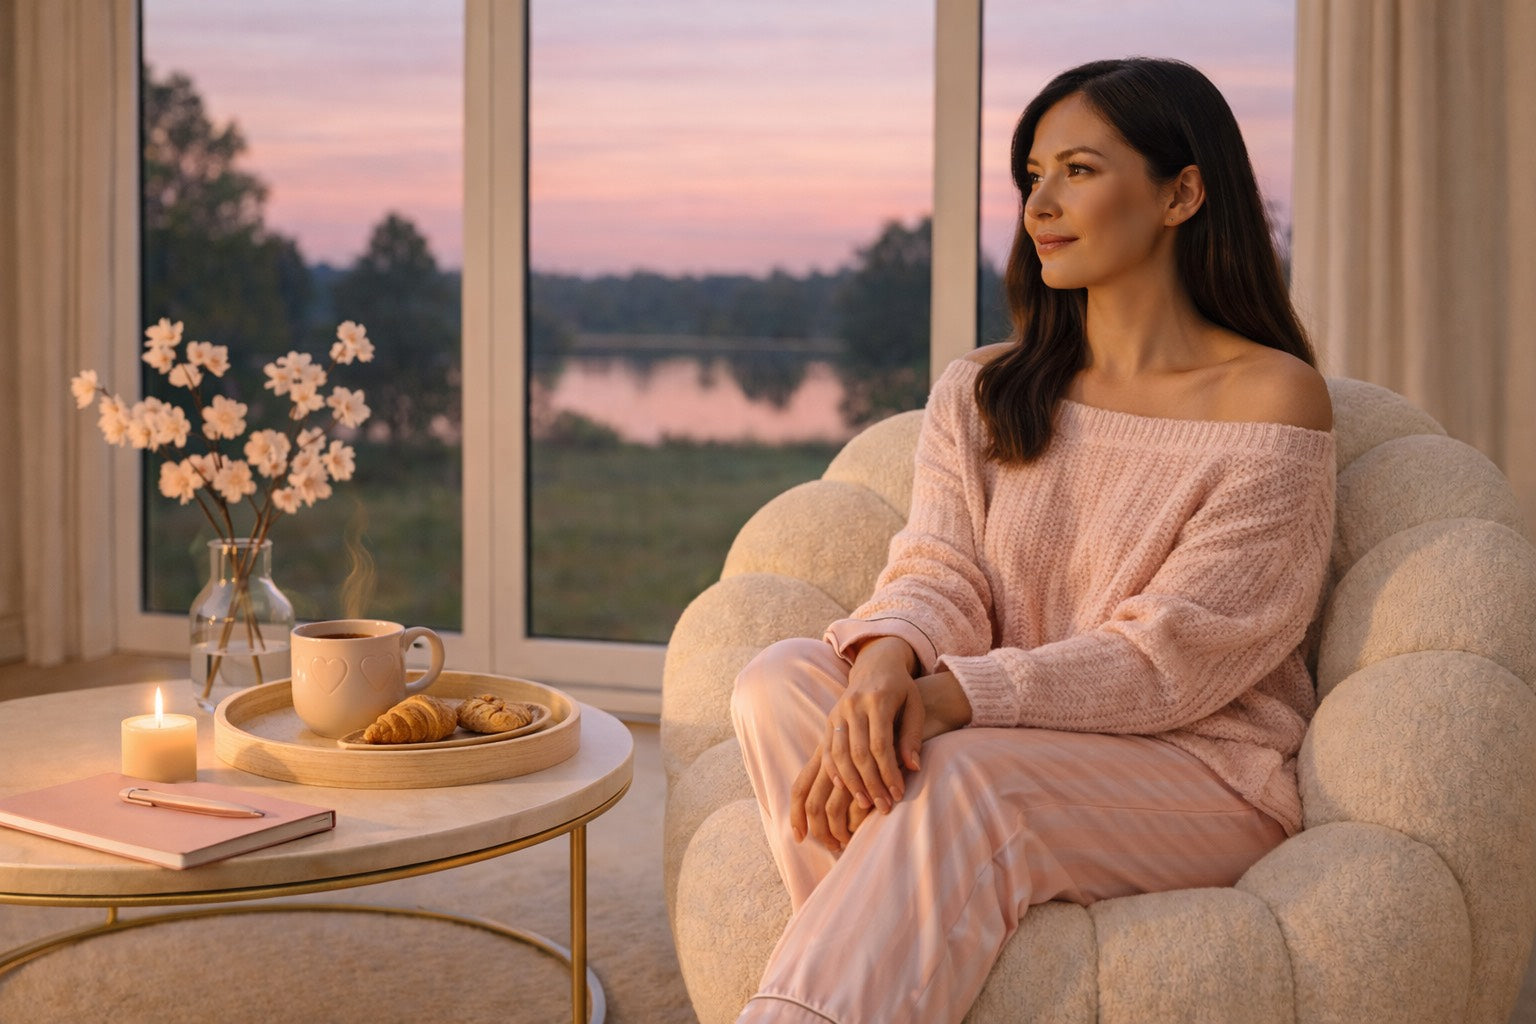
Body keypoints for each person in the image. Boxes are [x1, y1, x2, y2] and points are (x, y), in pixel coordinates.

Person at [730, 57, 1335, 1024]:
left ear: (1183, 192)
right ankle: (883, 964)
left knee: (964, 779)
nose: (1039, 205)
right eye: (1032, 176)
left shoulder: (1269, 400)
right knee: (781, 683)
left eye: (1079, 171)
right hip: (1011, 734)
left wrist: (955, 697)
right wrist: (890, 657)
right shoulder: (986, 388)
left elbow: (1173, 657)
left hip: (1201, 769)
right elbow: (939, 567)